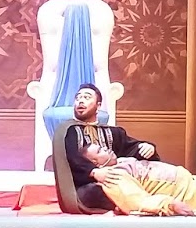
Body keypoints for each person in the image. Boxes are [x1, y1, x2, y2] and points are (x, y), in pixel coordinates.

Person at [63, 82, 160, 211]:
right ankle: (141, 205)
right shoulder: (68, 131)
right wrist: (94, 172)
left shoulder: (114, 132)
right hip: (87, 185)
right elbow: (71, 158)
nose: (80, 101)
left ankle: (134, 203)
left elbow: (131, 148)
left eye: (86, 97)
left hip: (119, 181)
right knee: (96, 191)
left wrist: (147, 148)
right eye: (78, 98)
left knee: (148, 177)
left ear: (98, 106)